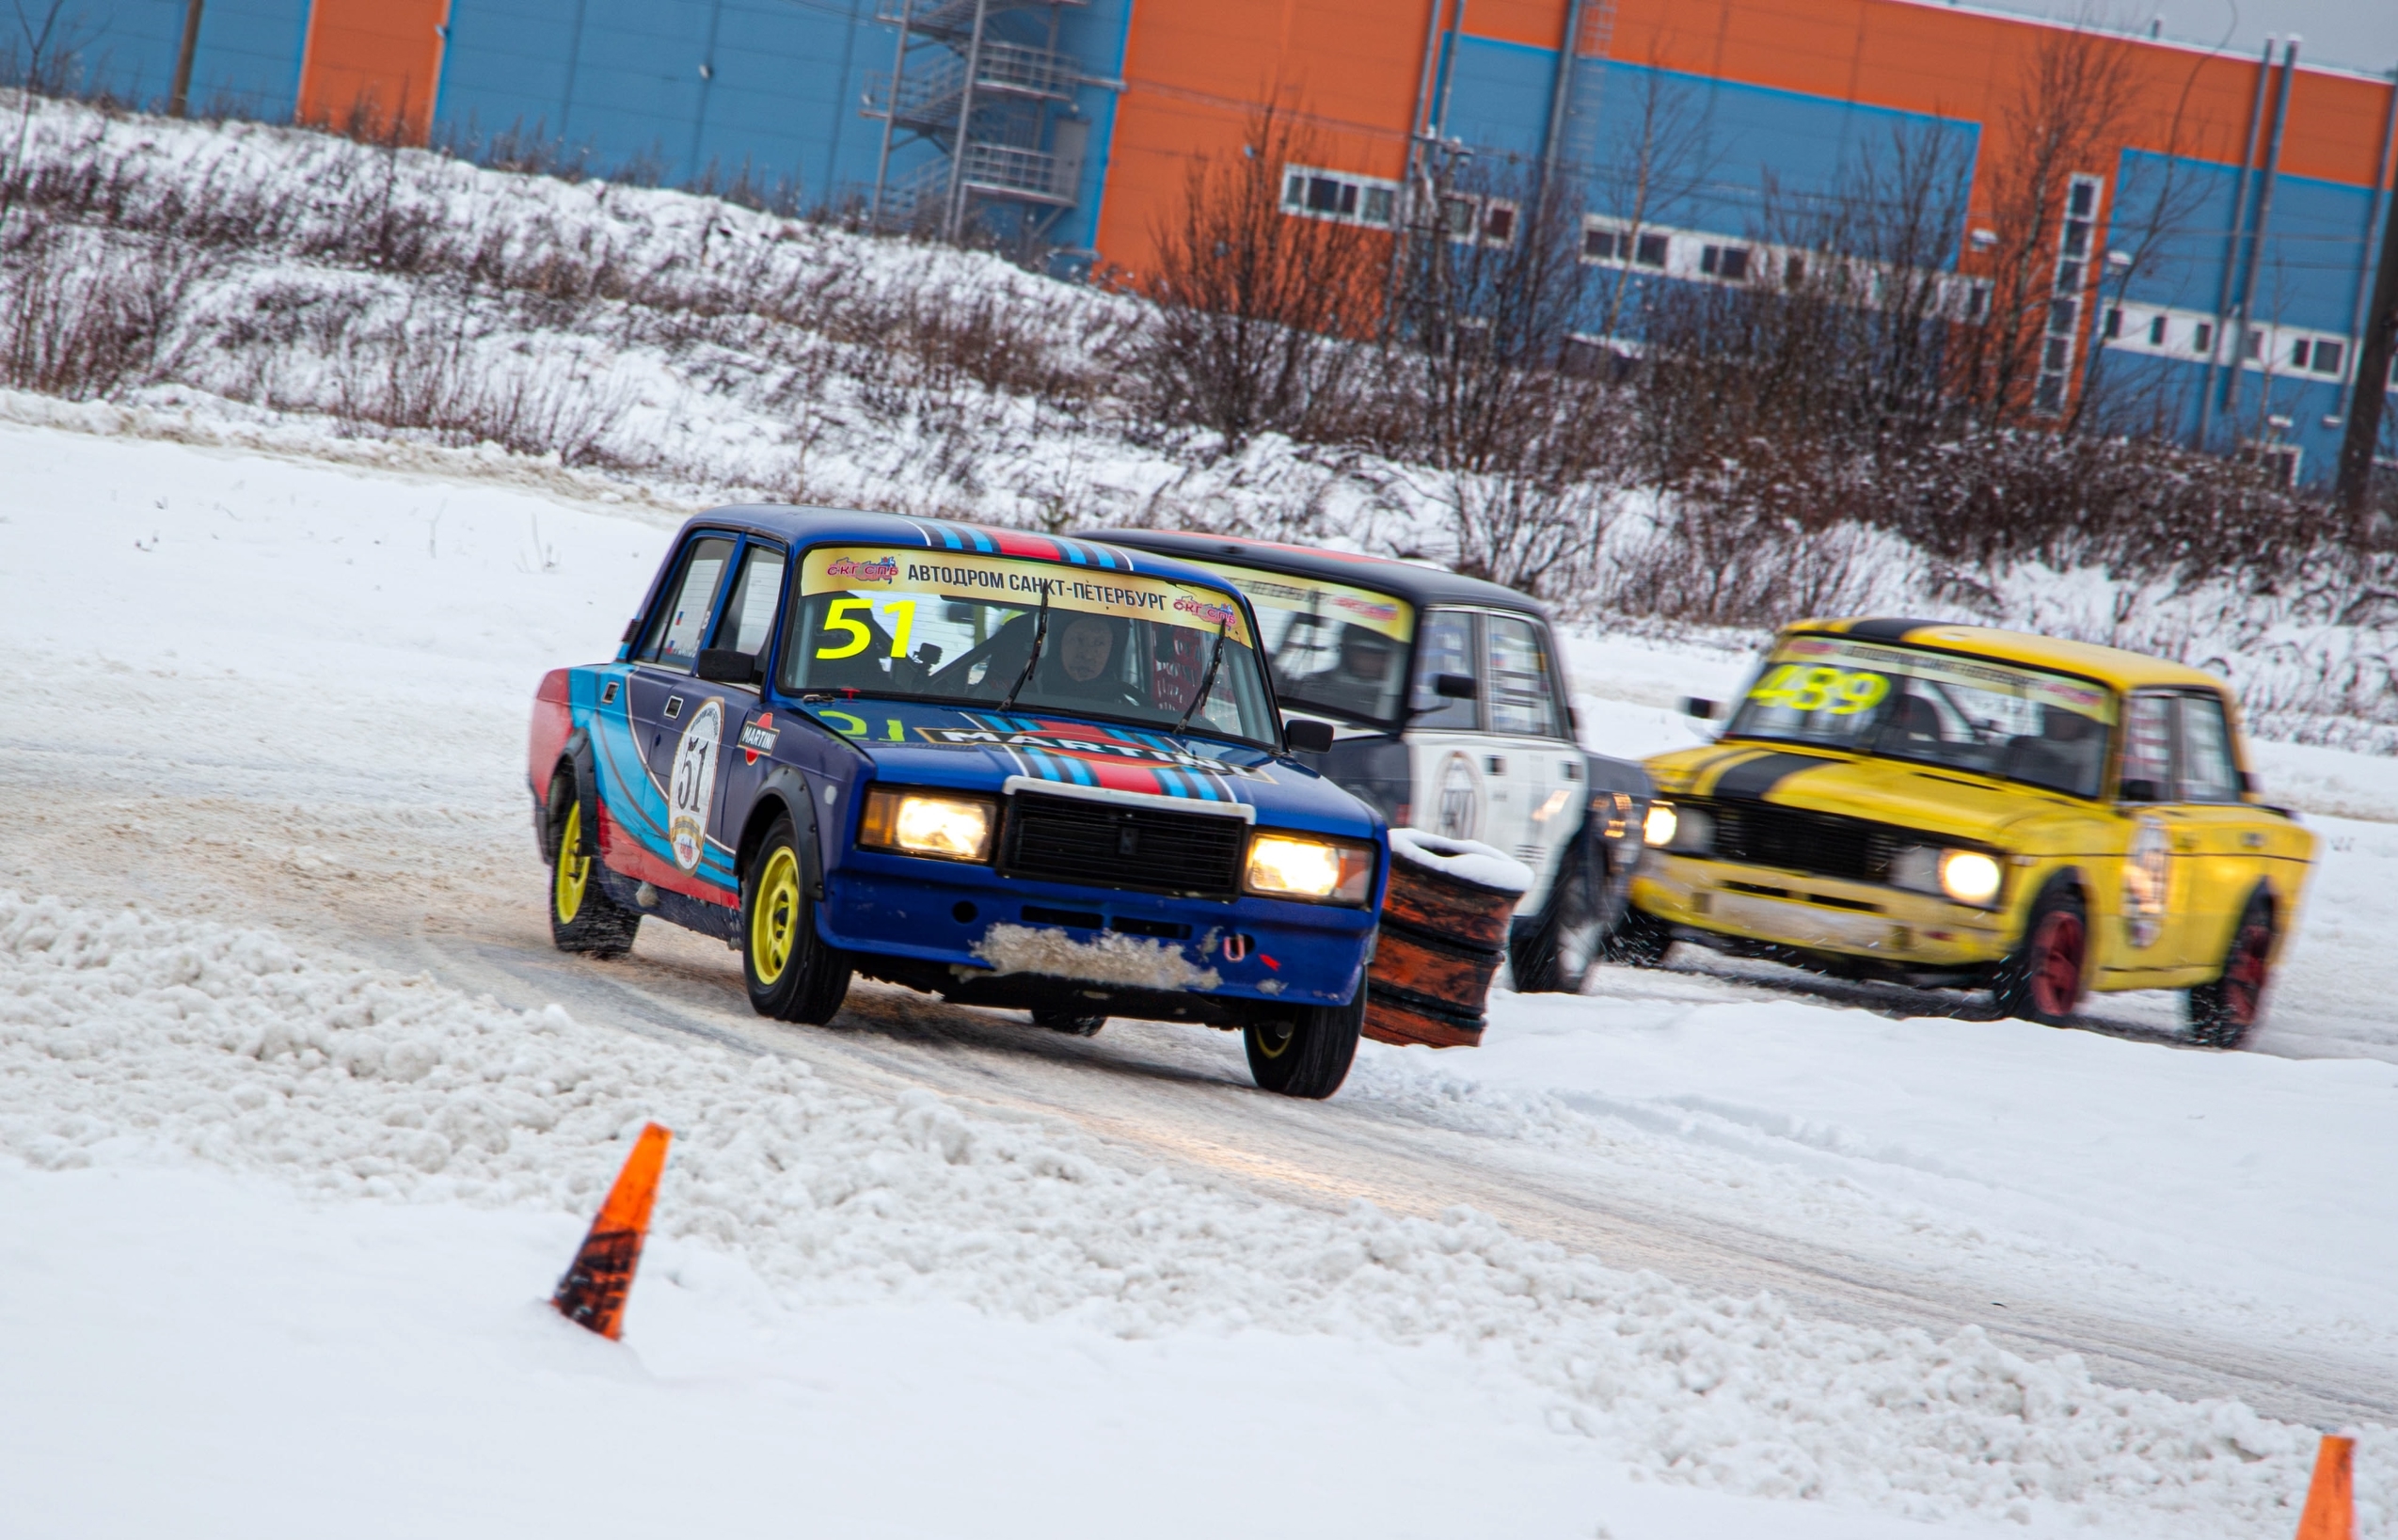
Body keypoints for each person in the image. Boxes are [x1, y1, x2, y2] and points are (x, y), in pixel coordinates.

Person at [1294, 624, 1398, 722]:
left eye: (1378, 655)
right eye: (1363, 652)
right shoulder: (1314, 685)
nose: (1370, 661)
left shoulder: (1393, 699)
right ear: (1346, 652)